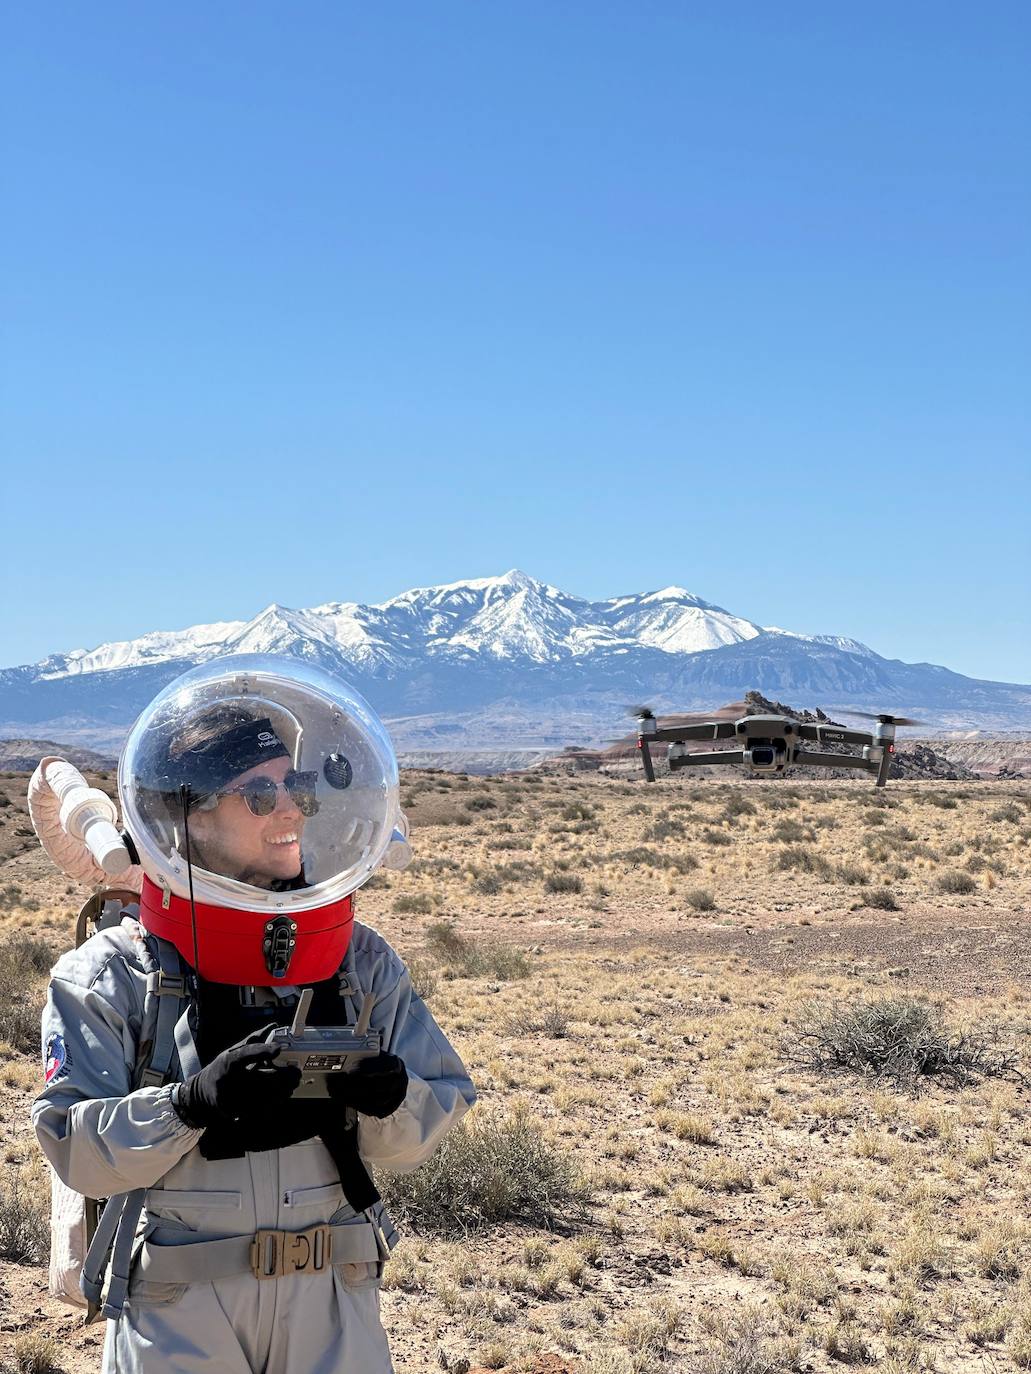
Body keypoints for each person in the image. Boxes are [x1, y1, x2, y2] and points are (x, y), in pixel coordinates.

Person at [32, 654, 476, 1374]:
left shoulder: (359, 962)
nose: (292, 810)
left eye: (294, 787)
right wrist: (187, 1104)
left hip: (333, 1296)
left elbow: (423, 1129)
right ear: (190, 814)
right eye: (258, 795)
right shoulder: (114, 973)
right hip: (179, 1306)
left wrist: (390, 1100)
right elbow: (76, 1150)